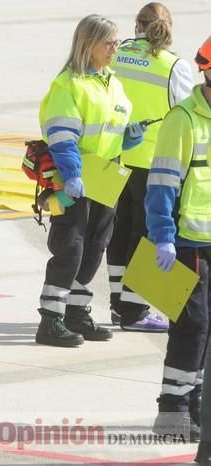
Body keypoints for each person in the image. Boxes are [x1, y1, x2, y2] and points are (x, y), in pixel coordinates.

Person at [35, 14, 146, 347]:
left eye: (116, 41)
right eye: (109, 42)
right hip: (78, 178)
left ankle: (76, 312)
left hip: (106, 174)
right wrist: (71, 175)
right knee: (70, 246)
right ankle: (50, 319)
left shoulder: (111, 81)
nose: (115, 48)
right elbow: (62, 135)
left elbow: (110, 131)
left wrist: (129, 139)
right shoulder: (69, 85)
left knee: (96, 246)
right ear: (88, 44)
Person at [106, 2, 193, 332]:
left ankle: (118, 303)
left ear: (138, 24)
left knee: (116, 231)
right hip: (153, 163)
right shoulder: (174, 67)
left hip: (114, 155)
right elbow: (185, 115)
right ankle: (134, 309)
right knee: (145, 235)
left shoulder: (117, 52)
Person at [145, 37, 211, 447]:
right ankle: (172, 411)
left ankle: (196, 408)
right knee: (192, 325)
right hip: (186, 243)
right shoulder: (184, 120)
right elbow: (162, 185)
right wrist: (163, 237)